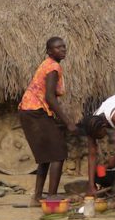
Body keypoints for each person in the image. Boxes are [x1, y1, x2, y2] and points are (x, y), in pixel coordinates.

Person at [18, 37, 76, 203]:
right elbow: (50, 97)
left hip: (30, 111)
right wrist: (68, 122)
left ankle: (37, 197)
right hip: (35, 111)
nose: (63, 49)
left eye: (63, 46)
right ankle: (51, 196)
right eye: (58, 48)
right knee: (58, 152)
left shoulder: (48, 64)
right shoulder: (53, 67)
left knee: (46, 155)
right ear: (49, 51)